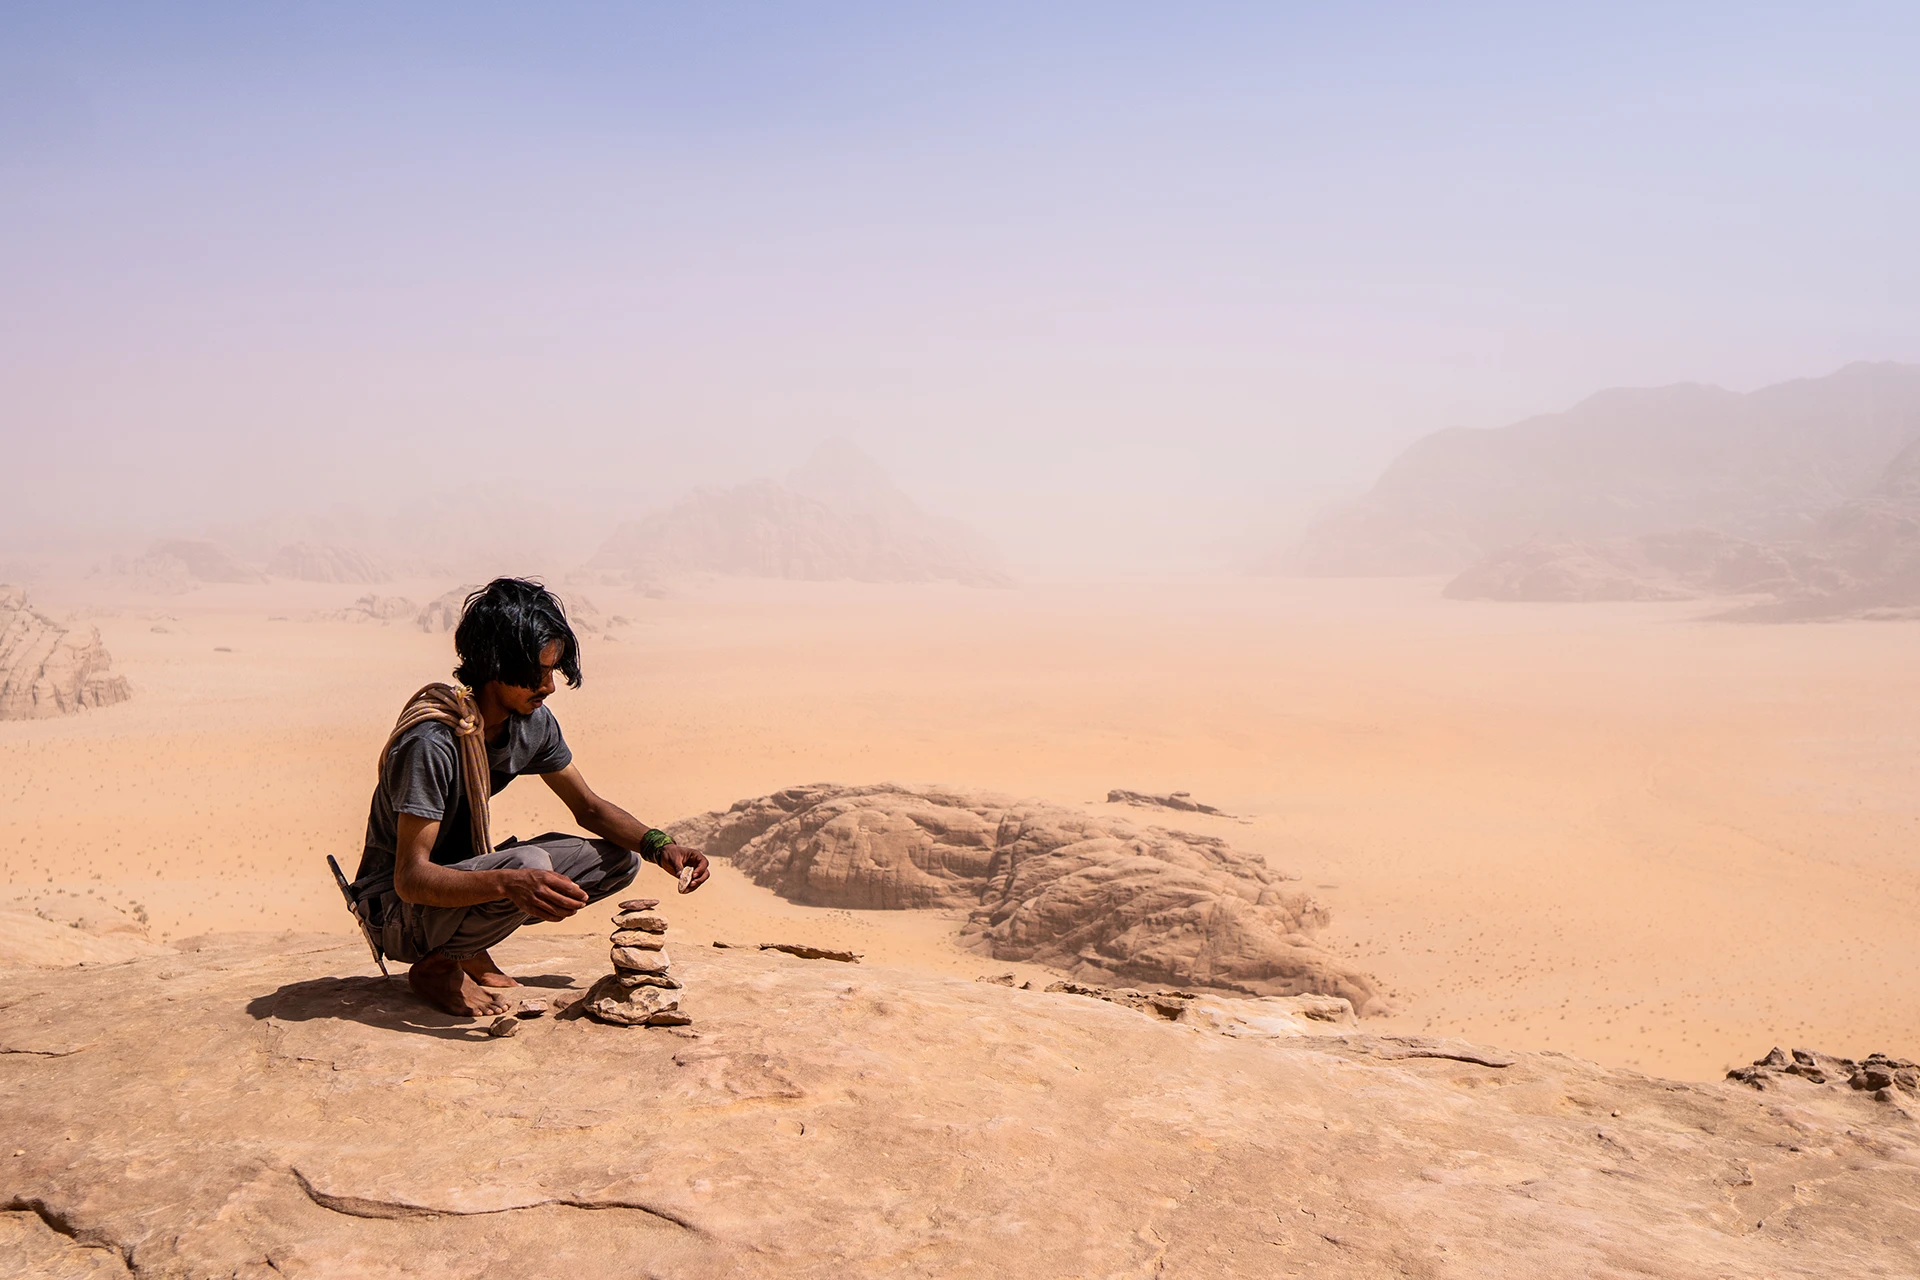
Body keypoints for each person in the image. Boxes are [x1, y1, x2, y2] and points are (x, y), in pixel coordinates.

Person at [346, 577, 708, 1016]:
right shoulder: (432, 742)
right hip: (397, 909)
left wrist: (660, 846)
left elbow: (588, 807)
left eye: (552, 671)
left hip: (457, 882)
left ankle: (467, 944)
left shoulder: (532, 724)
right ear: (495, 665)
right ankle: (439, 967)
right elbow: (410, 877)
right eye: (537, 674)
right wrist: (507, 882)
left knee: (621, 859)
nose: (549, 687)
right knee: (528, 867)